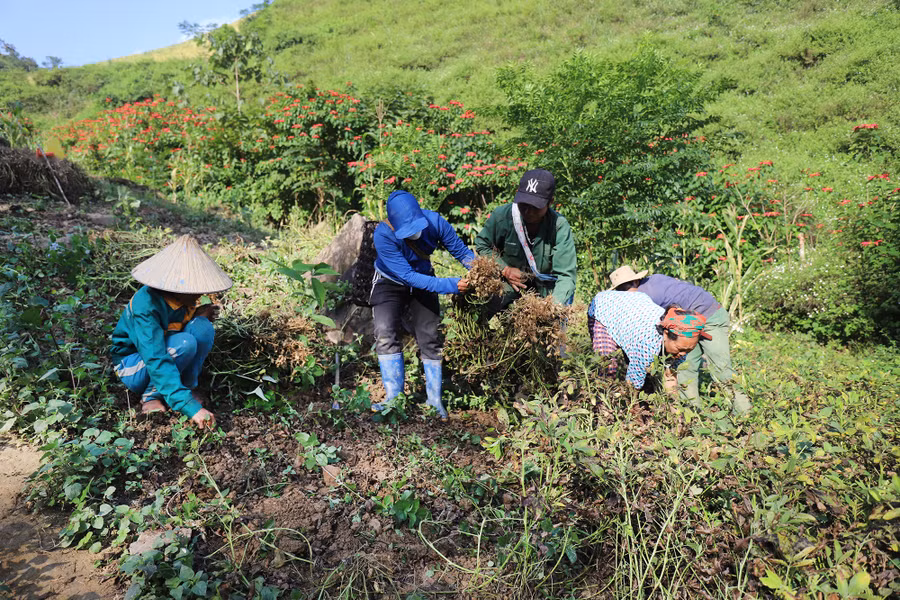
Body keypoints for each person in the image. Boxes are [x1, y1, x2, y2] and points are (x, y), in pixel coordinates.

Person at [370, 190, 474, 420]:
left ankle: (434, 400)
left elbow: (461, 252)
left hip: (423, 279)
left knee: (430, 335)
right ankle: (394, 399)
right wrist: (451, 285)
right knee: (385, 332)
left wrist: (482, 271)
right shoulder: (383, 235)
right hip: (391, 281)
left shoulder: (436, 222)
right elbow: (408, 276)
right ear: (395, 226)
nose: (413, 233)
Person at [110, 235, 231, 429]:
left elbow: (176, 328)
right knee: (185, 344)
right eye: (195, 289)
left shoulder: (183, 298)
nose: (199, 294)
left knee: (202, 328)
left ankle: (186, 387)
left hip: (167, 352)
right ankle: (151, 396)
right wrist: (188, 406)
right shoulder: (146, 306)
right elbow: (155, 356)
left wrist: (195, 317)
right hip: (134, 365)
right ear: (176, 284)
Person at [608, 266, 751, 415]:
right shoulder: (654, 279)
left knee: (721, 370)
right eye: (622, 288)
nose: (625, 291)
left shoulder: (644, 296)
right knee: (685, 370)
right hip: (685, 327)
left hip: (709, 316)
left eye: (626, 286)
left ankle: (745, 415)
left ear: (636, 281)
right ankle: (692, 417)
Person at [474, 169, 576, 312]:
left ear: (550, 202)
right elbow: (482, 244)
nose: (528, 211)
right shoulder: (503, 217)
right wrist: (505, 269)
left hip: (546, 293)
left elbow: (565, 276)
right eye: (524, 204)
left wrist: (551, 307)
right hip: (509, 287)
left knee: (550, 325)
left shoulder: (559, 226)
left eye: (535, 207)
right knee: (479, 303)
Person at [587, 290, 710, 395]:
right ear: (666, 334)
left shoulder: (683, 342)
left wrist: (676, 415)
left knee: (643, 374)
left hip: (634, 310)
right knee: (608, 369)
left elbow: (670, 377)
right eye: (681, 349)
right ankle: (603, 410)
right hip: (606, 307)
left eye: (688, 350)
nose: (683, 354)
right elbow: (632, 385)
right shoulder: (647, 345)